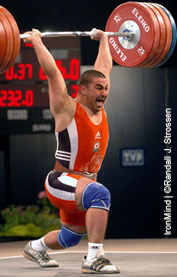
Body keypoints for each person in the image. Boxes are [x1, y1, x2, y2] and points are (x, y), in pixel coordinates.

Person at [22, 28, 120, 274]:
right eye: (99, 88)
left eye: (105, 88)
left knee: (70, 237)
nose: (104, 92)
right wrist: (36, 41)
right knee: (100, 194)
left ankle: (35, 247)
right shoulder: (67, 109)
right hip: (60, 181)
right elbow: (53, 73)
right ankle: (94, 258)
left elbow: (104, 67)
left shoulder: (100, 108)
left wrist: (105, 40)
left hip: (82, 185)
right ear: (83, 89)